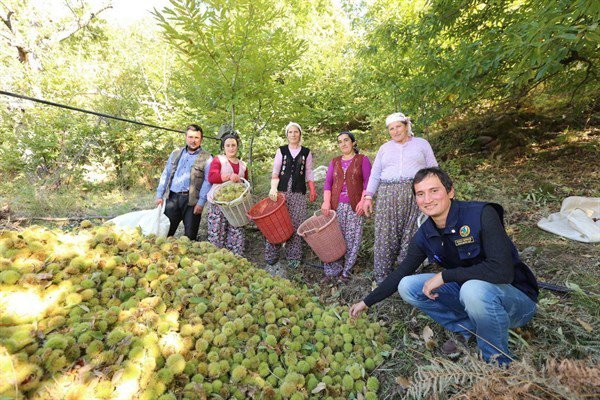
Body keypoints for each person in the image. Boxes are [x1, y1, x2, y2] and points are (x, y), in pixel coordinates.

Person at [350, 167, 539, 365]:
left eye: (434, 191)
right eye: (420, 194)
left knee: (472, 288)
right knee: (407, 286)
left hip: (515, 301)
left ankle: (498, 361)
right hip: (472, 297)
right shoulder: (426, 233)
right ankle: (465, 327)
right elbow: (402, 271)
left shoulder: (482, 214)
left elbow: (502, 271)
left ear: (450, 191)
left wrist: (445, 276)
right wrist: (366, 302)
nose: (427, 199)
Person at [363, 112, 438, 284]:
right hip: (388, 196)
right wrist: (368, 196)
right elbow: (375, 175)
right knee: (385, 234)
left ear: (406, 126)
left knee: (412, 234)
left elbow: (433, 169)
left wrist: (437, 191)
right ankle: (383, 279)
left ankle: (408, 279)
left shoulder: (421, 144)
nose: (395, 131)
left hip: (415, 194)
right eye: (391, 128)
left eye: (398, 126)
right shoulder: (384, 148)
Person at [321, 132, 372, 282]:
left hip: (354, 206)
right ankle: (333, 270)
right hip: (336, 207)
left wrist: (363, 201)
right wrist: (326, 202)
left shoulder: (362, 160)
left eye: (346, 140)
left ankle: (346, 272)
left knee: (352, 239)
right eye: (340, 142)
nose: (343, 144)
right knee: (334, 239)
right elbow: (328, 183)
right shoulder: (335, 161)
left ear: (353, 143)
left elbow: (368, 182)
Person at [266, 122, 317, 269]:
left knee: (296, 222)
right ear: (287, 135)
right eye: (290, 132)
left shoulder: (306, 152)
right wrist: (273, 189)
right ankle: (272, 254)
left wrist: (312, 189)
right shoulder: (281, 151)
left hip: (298, 192)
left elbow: (309, 172)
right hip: (281, 191)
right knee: (277, 222)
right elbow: (275, 171)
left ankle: (293, 255)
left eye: (296, 132)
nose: (293, 135)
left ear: (300, 134)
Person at [155, 124, 212, 240]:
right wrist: (159, 194)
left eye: (196, 138)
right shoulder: (175, 153)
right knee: (165, 232)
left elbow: (207, 181)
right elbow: (166, 173)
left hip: (192, 201)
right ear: (186, 137)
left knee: (190, 236)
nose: (193, 141)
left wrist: (201, 202)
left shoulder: (207, 158)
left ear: (201, 139)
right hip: (173, 198)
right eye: (190, 137)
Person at [206, 134, 248, 256]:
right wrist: (228, 177)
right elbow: (212, 177)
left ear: (237, 147)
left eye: (233, 145)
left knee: (236, 231)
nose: (231, 148)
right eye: (228, 145)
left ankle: (234, 258)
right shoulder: (219, 160)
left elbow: (245, 183)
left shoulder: (243, 165)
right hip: (218, 203)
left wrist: (240, 181)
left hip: (235, 205)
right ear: (223, 147)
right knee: (217, 232)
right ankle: (216, 258)